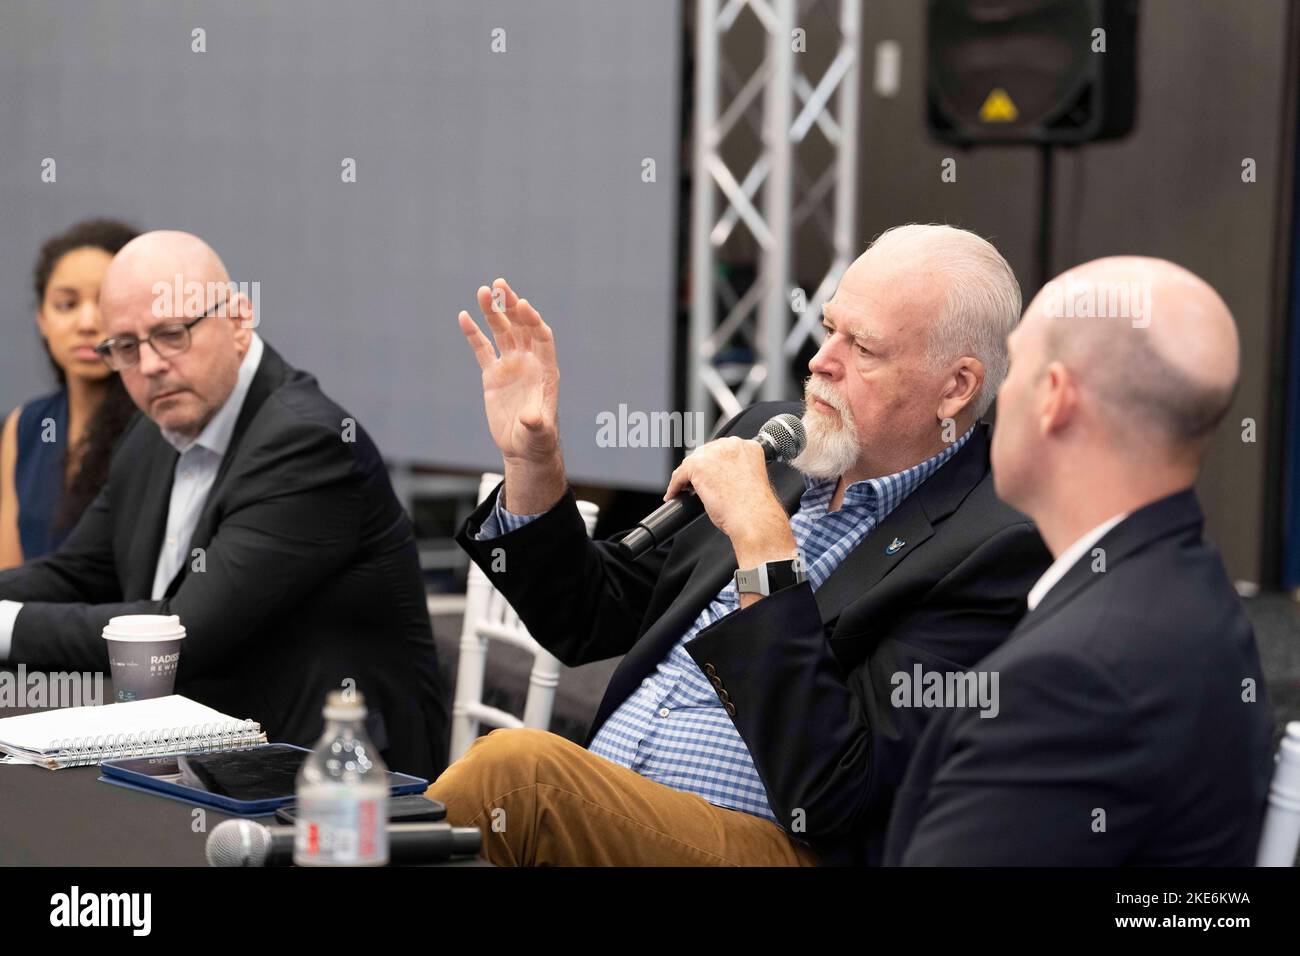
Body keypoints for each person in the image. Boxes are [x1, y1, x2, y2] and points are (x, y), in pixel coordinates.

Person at [429, 223, 1052, 865]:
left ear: (956, 387)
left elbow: (838, 789)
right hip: (616, 814)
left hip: (784, 847)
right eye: (829, 326)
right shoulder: (774, 439)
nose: (820, 360)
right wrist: (534, 460)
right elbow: (586, 617)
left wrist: (762, 545)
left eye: (861, 346)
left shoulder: (996, 544)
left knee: (519, 778)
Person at [0, 230, 449, 779]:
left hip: (325, 776)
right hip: (193, 747)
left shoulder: (310, 443)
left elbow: (182, 633)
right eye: (125, 347)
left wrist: (4, 627)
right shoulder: (153, 431)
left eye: (170, 334)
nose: (149, 366)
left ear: (237, 320)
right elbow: (75, 574)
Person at [885, 256, 1275, 865]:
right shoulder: (1188, 584)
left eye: (1014, 369)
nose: (998, 398)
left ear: (1055, 398)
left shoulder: (1071, 681)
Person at [1, 218, 141, 568]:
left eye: (106, 303)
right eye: (67, 305)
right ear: (42, 319)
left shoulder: (159, 425)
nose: (87, 323)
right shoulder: (26, 425)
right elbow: (8, 572)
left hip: (117, 622)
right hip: (26, 619)